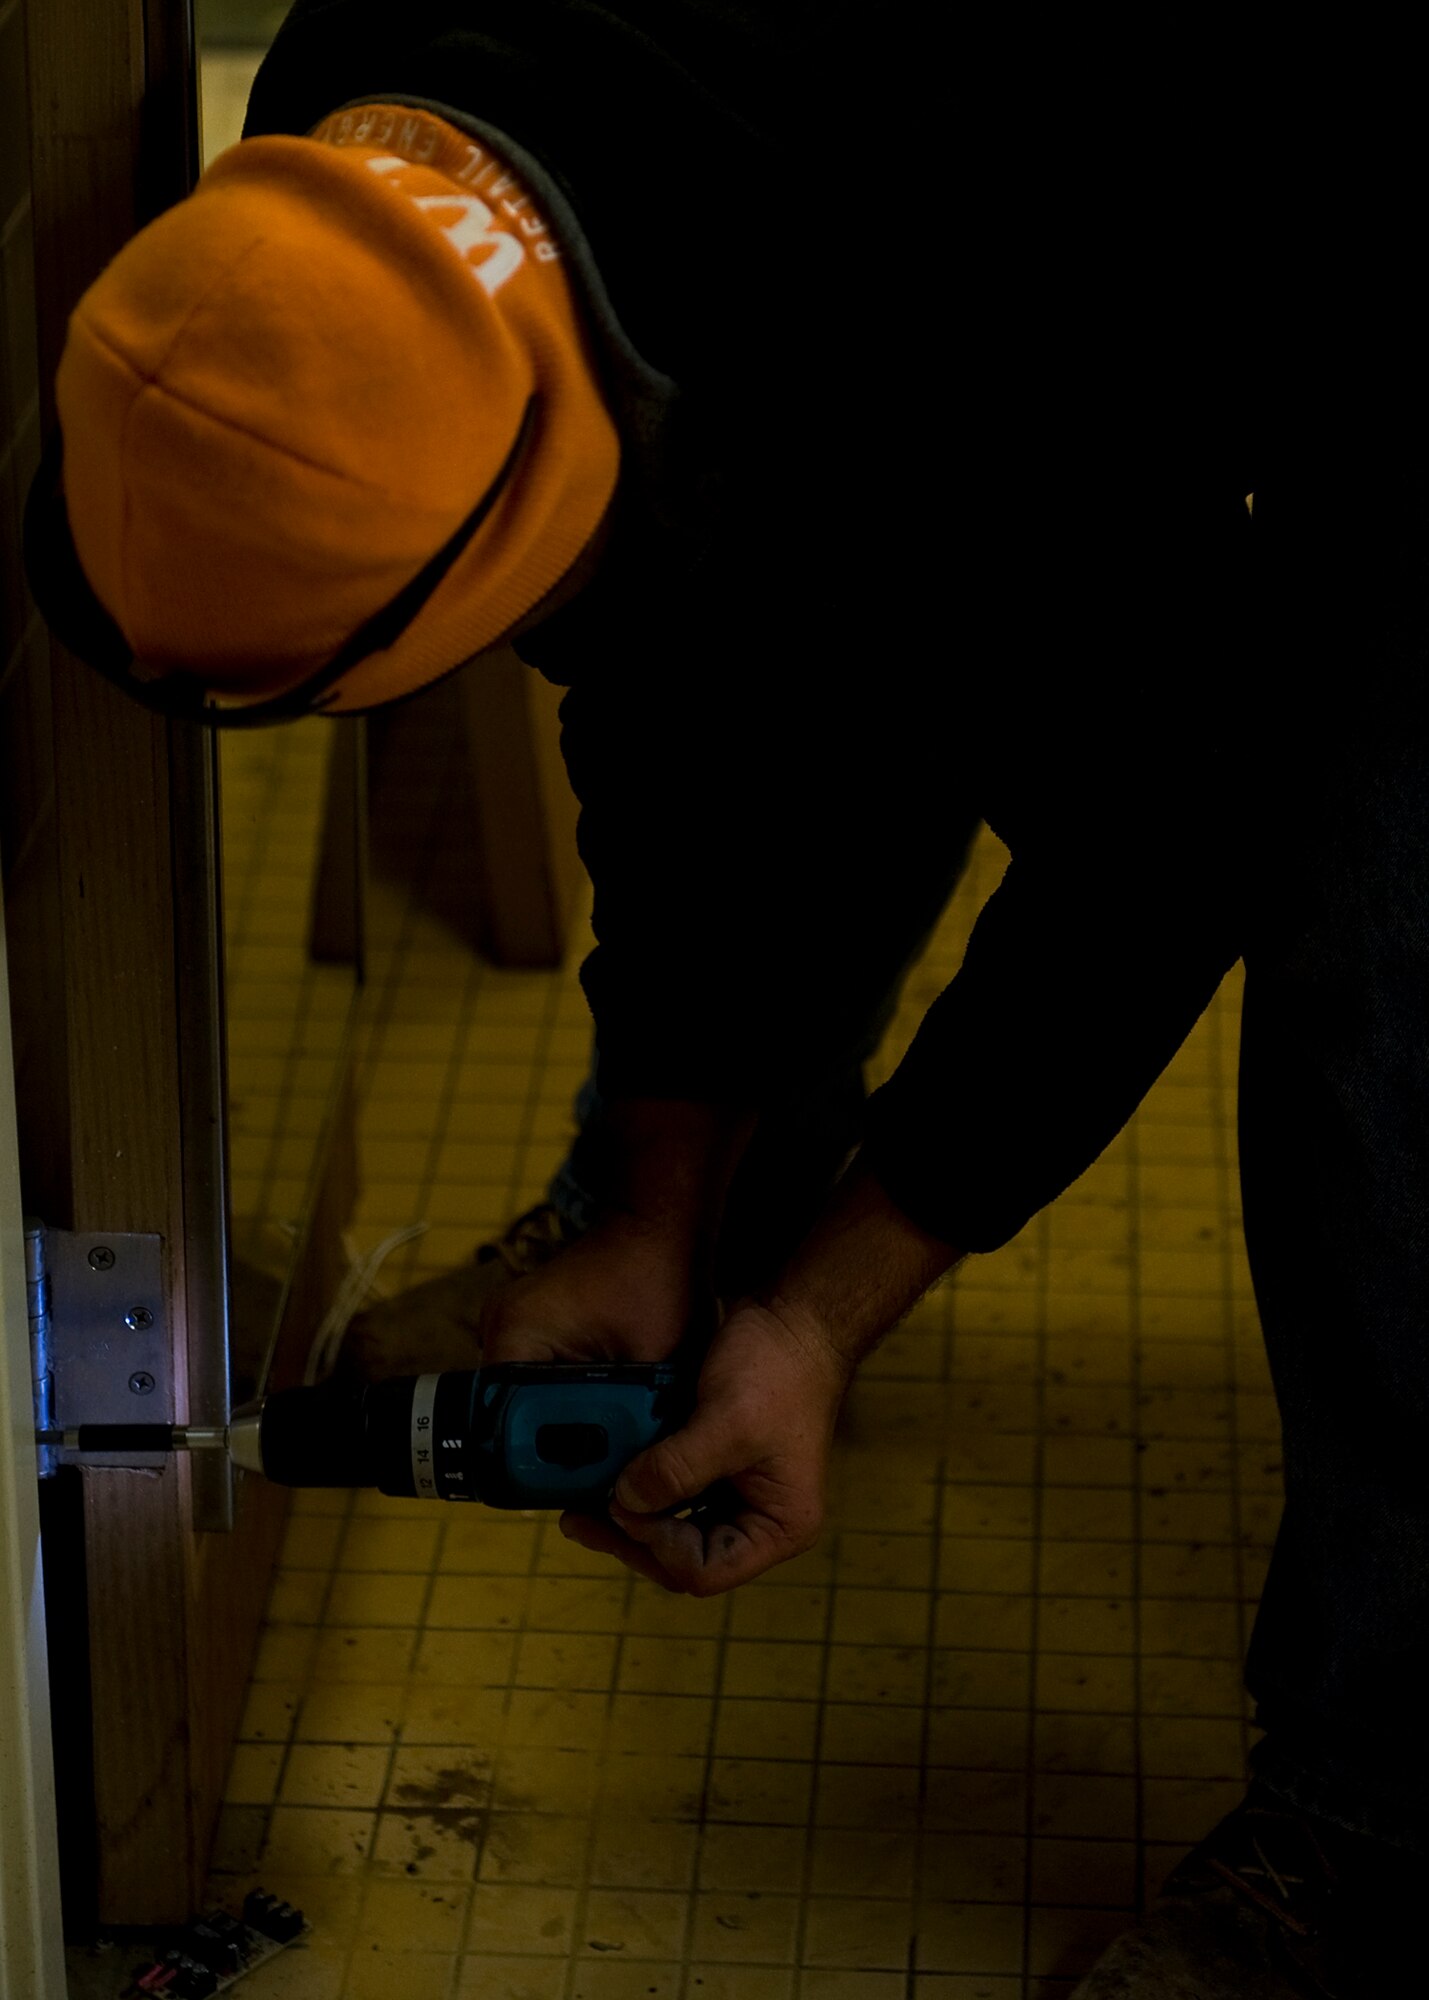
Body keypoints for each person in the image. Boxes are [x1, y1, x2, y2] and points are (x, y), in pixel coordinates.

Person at [23, 7, 1429, 1993]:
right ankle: (703, 1226)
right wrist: (663, 1185)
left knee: (1379, 971)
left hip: (1348, 202)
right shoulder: (365, 104)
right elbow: (675, 664)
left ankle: (1380, 1804)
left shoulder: (940, 308)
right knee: (803, 622)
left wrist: (829, 1310)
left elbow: (1166, 834)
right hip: (932, 253)